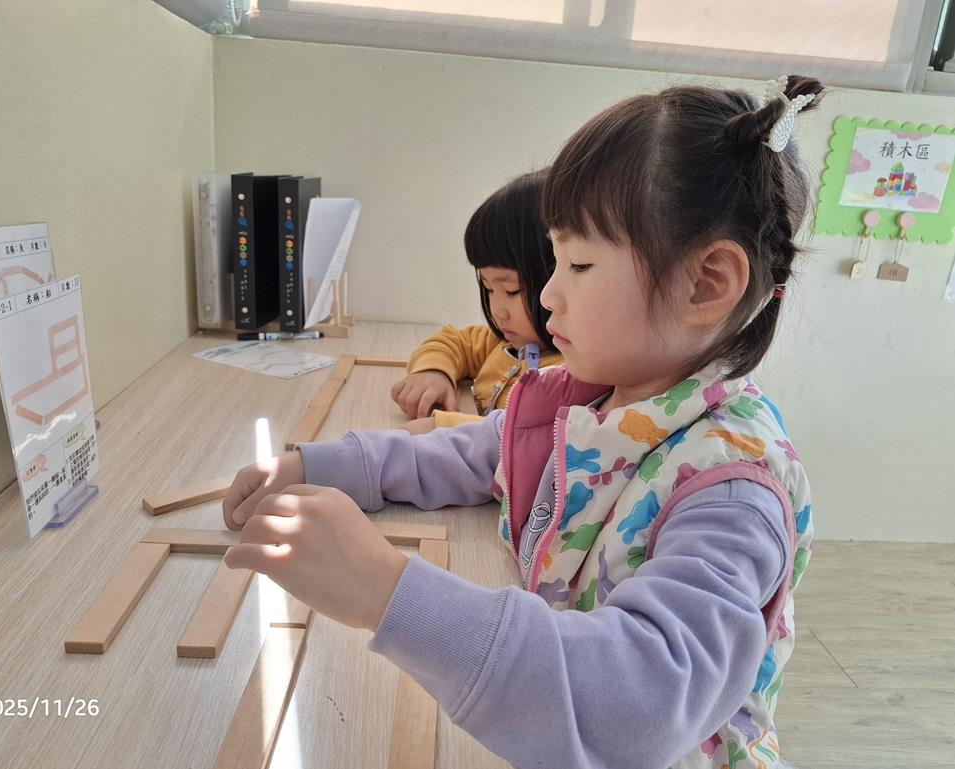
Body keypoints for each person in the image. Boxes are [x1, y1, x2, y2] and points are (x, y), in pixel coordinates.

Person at [221, 75, 821, 769]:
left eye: (579, 263)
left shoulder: (731, 493)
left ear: (706, 284)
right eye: (554, 259)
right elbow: (480, 449)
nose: (548, 294)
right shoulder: (597, 394)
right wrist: (320, 465)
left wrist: (386, 590)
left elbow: (637, 706)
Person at [391, 171, 561, 431]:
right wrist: (435, 372)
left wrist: (441, 426)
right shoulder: (502, 343)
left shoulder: (570, 375)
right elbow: (453, 342)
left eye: (512, 291)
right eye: (488, 289)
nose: (498, 311)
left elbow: (521, 436)